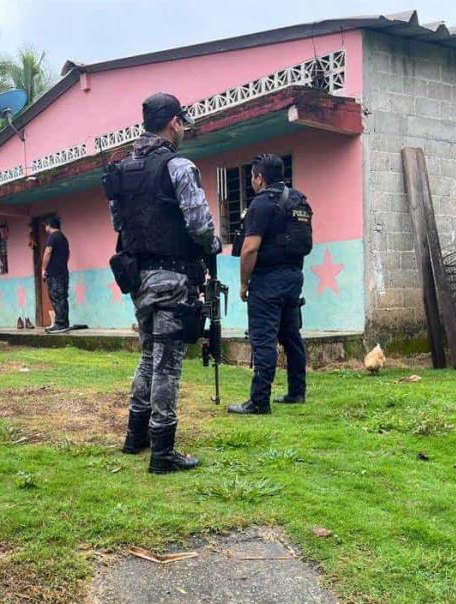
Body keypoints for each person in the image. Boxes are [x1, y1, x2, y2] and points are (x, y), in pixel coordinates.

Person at [106, 92, 222, 474]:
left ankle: (135, 435)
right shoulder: (178, 166)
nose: (184, 129)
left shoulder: (120, 170)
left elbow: (119, 225)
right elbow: (201, 225)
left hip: (139, 279)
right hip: (174, 278)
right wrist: (214, 244)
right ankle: (162, 451)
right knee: (167, 364)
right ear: (174, 122)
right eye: (183, 123)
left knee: (147, 357)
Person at [227, 153, 310, 415]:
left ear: (259, 178)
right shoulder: (299, 201)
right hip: (293, 277)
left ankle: (259, 400)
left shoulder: (262, 204)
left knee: (263, 339)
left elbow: (250, 249)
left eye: (252, 176)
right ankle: (297, 392)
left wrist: (243, 284)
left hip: (267, 281)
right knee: (291, 336)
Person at [41, 216, 71, 333]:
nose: (45, 227)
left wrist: (43, 269)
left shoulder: (52, 237)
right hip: (64, 272)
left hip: (54, 273)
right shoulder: (63, 238)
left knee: (56, 297)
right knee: (63, 297)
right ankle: (65, 322)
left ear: (49, 225)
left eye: (45, 225)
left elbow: (48, 252)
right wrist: (63, 264)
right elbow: (68, 254)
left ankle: (60, 323)